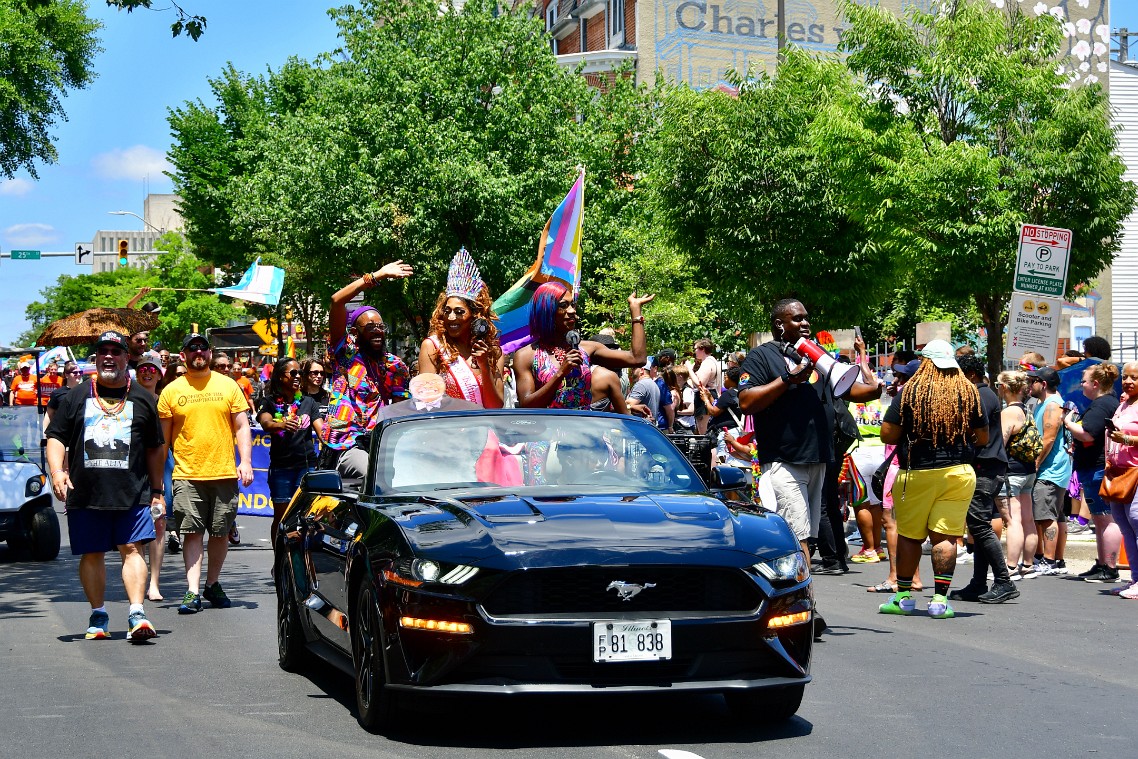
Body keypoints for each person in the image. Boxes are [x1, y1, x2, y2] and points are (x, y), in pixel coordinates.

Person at [45, 331, 165, 642]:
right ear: (95, 358)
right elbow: (56, 436)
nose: (108, 356)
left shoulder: (143, 398)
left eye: (116, 351)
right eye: (103, 351)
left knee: (132, 548)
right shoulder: (76, 396)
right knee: (92, 553)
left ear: (128, 358)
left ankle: (137, 613)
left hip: (133, 490)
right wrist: (57, 471)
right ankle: (98, 614)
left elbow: (154, 447)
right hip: (86, 491)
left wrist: (157, 491)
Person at [737, 299, 876, 556]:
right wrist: (787, 379)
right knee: (795, 538)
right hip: (785, 460)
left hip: (819, 459)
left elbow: (846, 389)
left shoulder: (816, 354)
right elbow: (746, 401)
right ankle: (799, 595)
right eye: (798, 318)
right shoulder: (762, 356)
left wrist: (874, 389)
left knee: (806, 539)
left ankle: (801, 592)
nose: (805, 323)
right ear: (780, 324)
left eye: (806, 318)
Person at [878, 340, 986, 619]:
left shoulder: (911, 392)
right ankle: (939, 600)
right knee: (946, 536)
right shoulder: (969, 392)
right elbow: (983, 437)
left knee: (910, 536)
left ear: (926, 362)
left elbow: (888, 434)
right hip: (959, 473)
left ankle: (903, 597)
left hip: (917, 472)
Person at [157, 332, 254, 614]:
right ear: (183, 354)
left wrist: (245, 461)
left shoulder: (229, 386)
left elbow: (241, 426)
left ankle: (213, 584)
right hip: (187, 473)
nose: (198, 353)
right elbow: (163, 441)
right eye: (192, 348)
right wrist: (157, 484)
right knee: (192, 532)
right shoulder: (171, 391)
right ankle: (192, 591)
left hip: (223, 472)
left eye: (202, 348)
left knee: (221, 532)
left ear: (209, 353)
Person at [320, 261, 415, 479]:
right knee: (368, 473)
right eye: (370, 327)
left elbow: (399, 410)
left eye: (381, 326)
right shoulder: (345, 355)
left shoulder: (395, 366)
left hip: (380, 441)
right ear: (354, 332)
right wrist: (378, 275)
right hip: (346, 443)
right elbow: (336, 301)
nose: (377, 331)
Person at [513, 281, 654, 409]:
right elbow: (527, 405)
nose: (572, 311)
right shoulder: (526, 355)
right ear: (546, 311)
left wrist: (635, 311)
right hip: (546, 435)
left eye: (572, 305)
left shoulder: (587, 348)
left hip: (582, 434)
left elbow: (637, 358)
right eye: (563, 305)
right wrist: (561, 373)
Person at [948, 355, 1019, 603]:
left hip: (985, 467)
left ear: (971, 375)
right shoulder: (984, 393)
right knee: (978, 526)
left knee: (979, 525)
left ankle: (1004, 580)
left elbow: (973, 432)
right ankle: (979, 582)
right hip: (985, 465)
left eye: (957, 374)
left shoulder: (979, 395)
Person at [418, 248, 505, 407]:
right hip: (447, 430)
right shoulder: (433, 347)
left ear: (475, 315)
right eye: (447, 311)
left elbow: (496, 406)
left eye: (459, 312)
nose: (451, 317)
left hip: (484, 429)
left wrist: (484, 366)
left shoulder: (493, 352)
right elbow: (426, 405)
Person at [257, 357, 325, 545]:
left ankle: (302, 560)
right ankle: (279, 561)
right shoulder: (269, 402)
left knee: (307, 517)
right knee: (282, 517)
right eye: (293, 373)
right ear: (280, 377)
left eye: (300, 373)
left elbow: (322, 432)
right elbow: (265, 423)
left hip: (306, 467)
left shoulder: (308, 402)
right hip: (281, 469)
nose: (298, 377)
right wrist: (282, 424)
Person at [1065, 362, 1122, 583]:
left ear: (1095, 384)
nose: (1081, 386)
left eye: (1084, 382)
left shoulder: (1101, 405)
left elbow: (1088, 434)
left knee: (1107, 519)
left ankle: (1110, 567)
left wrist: (1068, 422)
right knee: (1099, 519)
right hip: (1092, 468)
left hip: (1098, 469)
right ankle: (1102, 564)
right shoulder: (1104, 403)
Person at [1024, 366, 1073, 577]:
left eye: (1032, 381)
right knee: (1056, 514)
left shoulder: (1052, 405)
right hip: (1054, 469)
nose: (1029, 385)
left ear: (1042, 384)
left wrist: (1036, 462)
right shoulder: (1046, 403)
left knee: (1046, 516)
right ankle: (1056, 559)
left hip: (1050, 470)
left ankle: (1049, 561)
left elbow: (1049, 438)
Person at [131, 351, 170, 601]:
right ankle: (139, 577)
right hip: (134, 465)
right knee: (135, 523)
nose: (147, 372)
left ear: (160, 374)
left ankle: (154, 583)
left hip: (162, 465)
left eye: (152, 369)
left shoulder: (166, 401)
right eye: (143, 368)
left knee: (158, 521)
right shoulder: (128, 399)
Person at [1102, 362, 1138, 598]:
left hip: (1135, 472)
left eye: (1134, 377)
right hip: (1117, 472)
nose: (1128, 381)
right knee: (1124, 525)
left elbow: (1127, 436)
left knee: (1136, 520)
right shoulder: (1124, 404)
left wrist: (1126, 439)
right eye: (1125, 377)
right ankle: (1135, 578)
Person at [691, 339, 722, 434]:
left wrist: (689, 369)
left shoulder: (707, 363)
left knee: (704, 432)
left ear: (702, 349)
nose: (694, 351)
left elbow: (700, 384)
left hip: (705, 397)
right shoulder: (713, 361)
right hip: (711, 395)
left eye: (696, 348)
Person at [44, 360, 83, 431]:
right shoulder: (57, 393)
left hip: (79, 432)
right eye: (75, 373)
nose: (78, 374)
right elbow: (49, 415)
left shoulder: (85, 391)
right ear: (66, 375)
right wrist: (45, 433)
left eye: (80, 372)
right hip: (61, 431)